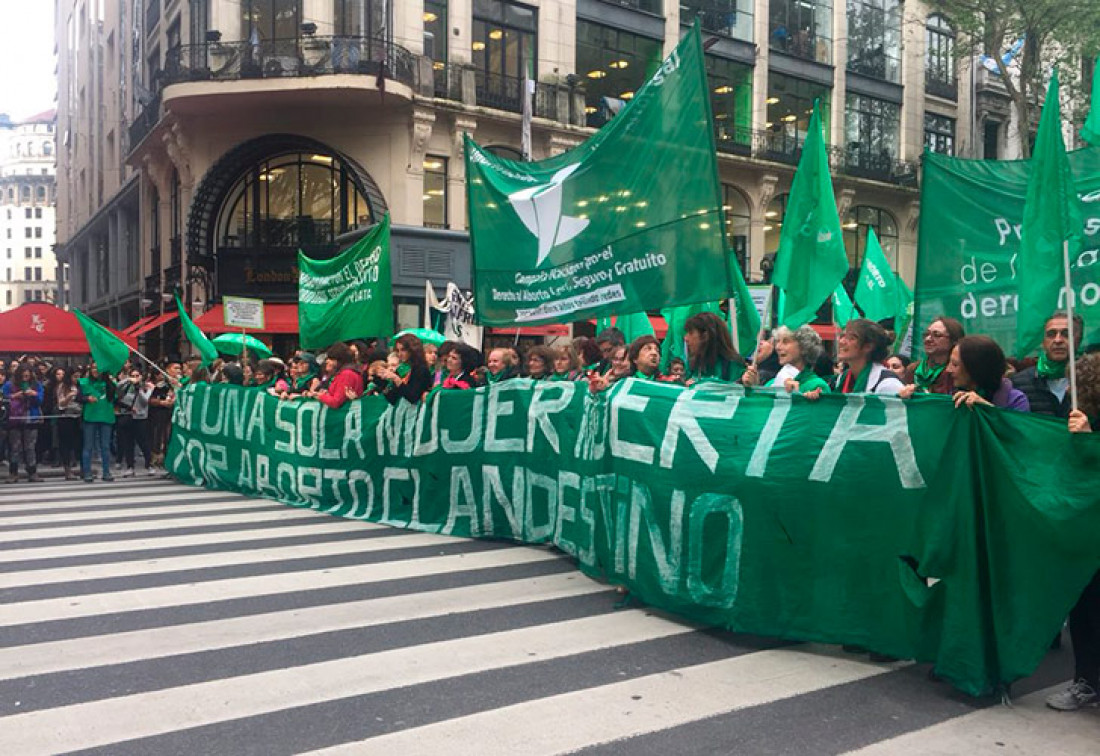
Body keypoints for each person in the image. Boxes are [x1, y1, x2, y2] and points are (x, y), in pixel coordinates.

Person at [1047, 353, 1100, 711]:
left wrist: (1091, 440)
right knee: (1084, 607)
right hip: (1085, 533)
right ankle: (1087, 680)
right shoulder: (1078, 416)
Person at [1011, 311, 1083, 419]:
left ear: (1079, 339)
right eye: (1051, 334)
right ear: (1043, 341)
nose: (1058, 340)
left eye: (1066, 334)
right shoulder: (1019, 383)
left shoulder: (1091, 382)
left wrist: (1088, 432)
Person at [947, 335, 1029, 411]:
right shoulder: (951, 399)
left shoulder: (1015, 400)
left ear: (975, 368)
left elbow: (1018, 426)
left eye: (955, 365)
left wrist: (988, 410)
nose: (948, 369)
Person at [833, 319, 904, 395]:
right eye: (842, 336)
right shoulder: (843, 378)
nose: (841, 342)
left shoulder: (888, 384)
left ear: (868, 346)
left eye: (851, 338)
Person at [899, 316, 964, 398]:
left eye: (936, 335)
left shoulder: (957, 371)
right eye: (926, 334)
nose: (928, 339)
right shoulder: (913, 369)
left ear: (953, 341)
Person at [3, 364, 44, 483]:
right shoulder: (9, 385)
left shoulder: (36, 385)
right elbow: (3, 397)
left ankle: (32, 471)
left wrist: (34, 394)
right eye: (24, 372)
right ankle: (13, 472)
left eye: (28, 372)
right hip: (14, 419)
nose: (26, 375)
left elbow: (40, 401)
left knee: (30, 447)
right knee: (15, 447)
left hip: (31, 418)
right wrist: (14, 396)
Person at [764, 325, 831, 396]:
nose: (778, 347)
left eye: (785, 342)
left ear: (803, 347)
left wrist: (801, 398)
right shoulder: (770, 384)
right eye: (777, 341)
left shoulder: (817, 386)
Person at [683, 312, 746, 385]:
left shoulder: (732, 364)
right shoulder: (693, 363)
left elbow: (737, 391)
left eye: (691, 333)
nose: (686, 338)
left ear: (705, 336)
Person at [79, 361, 116, 482]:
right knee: (88, 446)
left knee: (105, 446)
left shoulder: (110, 384)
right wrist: (86, 398)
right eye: (93, 368)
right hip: (90, 417)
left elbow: (115, 398)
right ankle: (87, 472)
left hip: (106, 417)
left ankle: (106, 472)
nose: (95, 370)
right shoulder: (83, 382)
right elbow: (78, 397)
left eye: (98, 368)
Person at [115, 367, 154, 476]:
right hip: (128, 416)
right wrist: (128, 380)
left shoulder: (146, 387)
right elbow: (117, 389)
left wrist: (139, 389)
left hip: (141, 418)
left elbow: (145, 401)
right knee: (128, 442)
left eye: (137, 376)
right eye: (133, 376)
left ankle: (149, 464)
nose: (135, 378)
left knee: (143, 442)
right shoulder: (127, 386)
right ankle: (130, 466)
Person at [305, 342, 363, 409]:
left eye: (330, 359)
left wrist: (319, 395)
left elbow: (336, 402)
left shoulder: (347, 374)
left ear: (338, 360)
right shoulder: (344, 373)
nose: (326, 361)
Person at [381, 334, 432, 405]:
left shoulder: (421, 369)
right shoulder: (401, 369)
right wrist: (383, 383)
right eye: (398, 350)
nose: (399, 354)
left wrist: (397, 379)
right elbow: (392, 399)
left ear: (412, 350)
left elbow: (413, 397)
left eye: (403, 350)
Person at [148, 362, 181, 468]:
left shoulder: (184, 383)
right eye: (175, 368)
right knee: (165, 439)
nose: (178, 370)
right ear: (168, 370)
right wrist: (162, 402)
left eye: (179, 368)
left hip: (180, 416)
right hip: (164, 416)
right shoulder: (162, 385)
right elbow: (151, 400)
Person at [55, 367, 83, 480]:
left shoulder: (81, 386)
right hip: (66, 417)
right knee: (66, 444)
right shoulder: (63, 386)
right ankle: (67, 470)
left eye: (79, 376)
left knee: (79, 443)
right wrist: (69, 396)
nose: (77, 379)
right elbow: (60, 404)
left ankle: (82, 467)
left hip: (79, 417)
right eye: (75, 376)